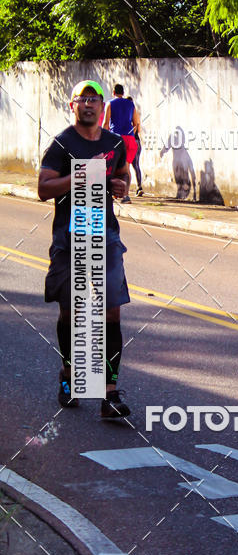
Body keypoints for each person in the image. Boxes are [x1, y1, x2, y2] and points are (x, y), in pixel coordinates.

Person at [38, 80, 132, 419]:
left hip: (105, 236)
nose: (89, 104)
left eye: (94, 99)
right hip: (70, 239)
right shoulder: (61, 144)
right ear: (73, 105)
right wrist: (79, 177)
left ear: (103, 106)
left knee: (111, 312)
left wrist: (121, 186)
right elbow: (43, 189)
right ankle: (69, 375)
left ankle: (109, 393)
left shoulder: (114, 143)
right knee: (72, 314)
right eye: (83, 99)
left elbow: (123, 175)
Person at [102, 83, 140, 203]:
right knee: (126, 167)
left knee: (112, 166)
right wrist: (131, 134)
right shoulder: (131, 104)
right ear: (123, 93)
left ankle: (112, 194)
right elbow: (136, 123)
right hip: (130, 139)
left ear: (113, 92)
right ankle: (126, 196)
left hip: (116, 138)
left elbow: (106, 123)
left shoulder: (110, 103)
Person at [126, 95, 144, 196]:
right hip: (136, 141)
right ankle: (139, 187)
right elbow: (139, 129)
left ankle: (125, 189)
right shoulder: (136, 114)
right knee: (136, 165)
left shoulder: (127, 115)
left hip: (130, 141)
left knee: (125, 165)